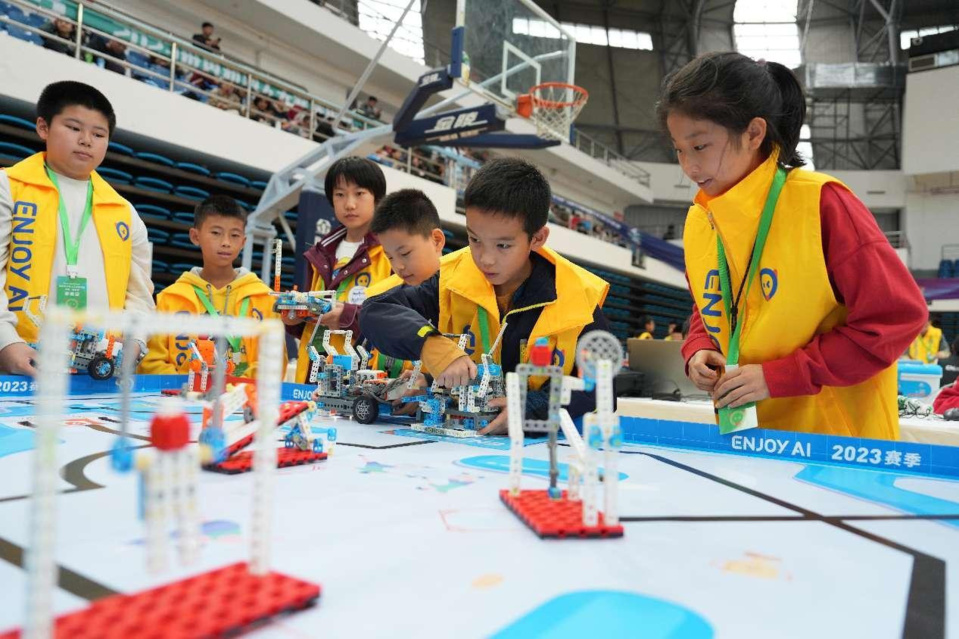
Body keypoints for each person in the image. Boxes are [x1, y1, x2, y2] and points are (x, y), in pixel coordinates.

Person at [661, 52, 926, 440]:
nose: (688, 166)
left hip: (835, 444)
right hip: (749, 436)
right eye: (679, 149)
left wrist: (780, 376)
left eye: (700, 147)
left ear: (754, 133)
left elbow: (897, 319)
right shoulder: (701, 220)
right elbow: (713, 305)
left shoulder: (822, 204)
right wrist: (698, 348)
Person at [359, 158, 611, 436]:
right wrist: (432, 358)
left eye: (503, 245)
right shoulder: (450, 278)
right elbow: (374, 310)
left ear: (537, 239)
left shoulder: (578, 296)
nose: (485, 259)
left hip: (540, 454)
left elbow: (600, 389)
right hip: (457, 448)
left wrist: (526, 408)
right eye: (474, 239)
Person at [0, 81, 155, 375]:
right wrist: (6, 343)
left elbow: (139, 296)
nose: (86, 140)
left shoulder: (124, 212)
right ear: (43, 127)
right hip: (20, 359)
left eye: (99, 134)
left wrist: (133, 343)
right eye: (74, 128)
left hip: (96, 366)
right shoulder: (9, 187)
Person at [140, 195, 281, 377]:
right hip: (182, 400)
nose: (226, 242)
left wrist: (234, 389)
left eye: (235, 235)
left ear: (243, 242)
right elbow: (151, 361)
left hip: (242, 401)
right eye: (216, 233)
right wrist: (189, 387)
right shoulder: (170, 298)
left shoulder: (263, 298)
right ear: (195, 236)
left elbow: (273, 362)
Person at [284, 157, 392, 383]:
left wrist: (346, 316)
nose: (349, 204)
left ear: (377, 198)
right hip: (313, 371)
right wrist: (295, 318)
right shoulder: (318, 253)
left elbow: (395, 319)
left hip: (361, 372)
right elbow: (307, 324)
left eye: (359, 193)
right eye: (340, 194)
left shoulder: (390, 253)